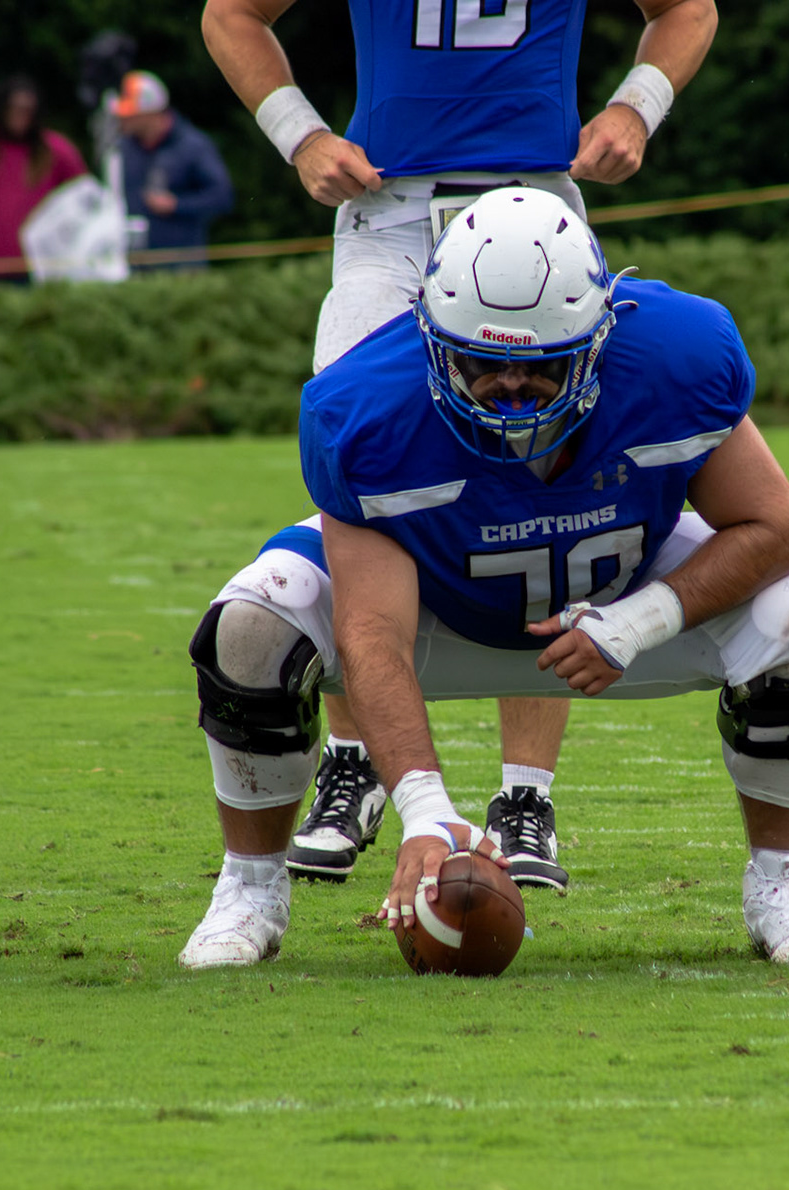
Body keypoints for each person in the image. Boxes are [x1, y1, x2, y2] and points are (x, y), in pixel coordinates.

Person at [177, 188, 789, 970]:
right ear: (432, 339)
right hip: (438, 608)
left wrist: (640, 621)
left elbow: (776, 528)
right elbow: (372, 634)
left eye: (539, 366)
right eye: (482, 362)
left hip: (615, 599)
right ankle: (250, 887)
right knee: (253, 628)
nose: (509, 388)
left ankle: (783, 883)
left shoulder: (677, 358)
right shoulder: (366, 408)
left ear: (599, 339)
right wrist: (425, 812)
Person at [200, 0, 719, 891]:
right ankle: (360, 763)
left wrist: (637, 107)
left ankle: (525, 795)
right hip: (390, 211)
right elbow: (233, 13)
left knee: (544, 481)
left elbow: (686, 9)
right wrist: (301, 136)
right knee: (366, 471)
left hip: (537, 208)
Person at [0, 76, 88, 277]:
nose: (20, 116)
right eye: (15, 109)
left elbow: (85, 199)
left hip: (42, 268)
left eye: (27, 110)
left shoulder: (55, 150)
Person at [111, 70, 236, 271]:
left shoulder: (193, 146)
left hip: (181, 269)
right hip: (131, 268)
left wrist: (177, 205)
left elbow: (222, 196)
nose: (122, 119)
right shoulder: (121, 149)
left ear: (152, 112)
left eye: (130, 114)